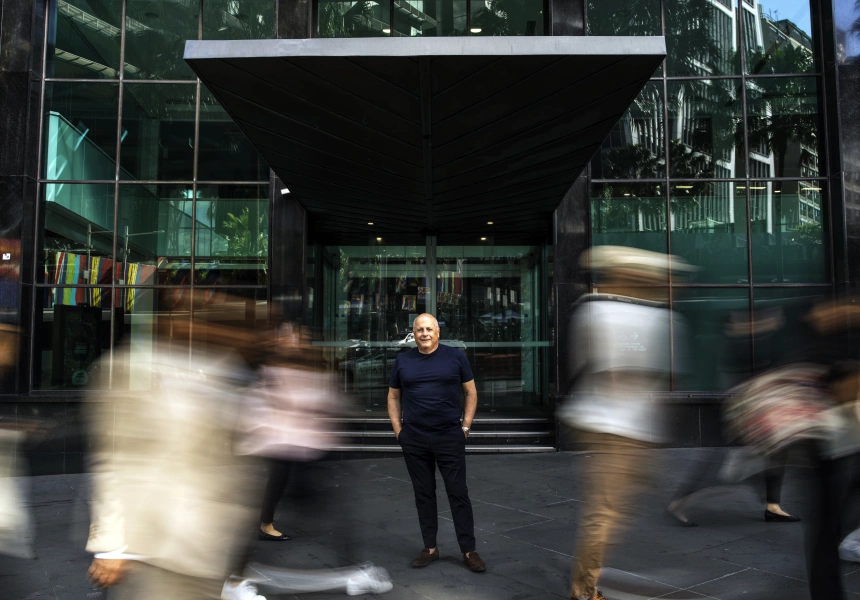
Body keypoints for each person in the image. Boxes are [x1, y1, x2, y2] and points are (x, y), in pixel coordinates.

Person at [558, 246, 690, 600]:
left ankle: (587, 583)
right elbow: (641, 374)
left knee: (612, 513)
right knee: (604, 514)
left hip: (616, 424)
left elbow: (585, 365)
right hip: (614, 427)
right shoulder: (649, 317)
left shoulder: (596, 310)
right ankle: (584, 591)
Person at [387, 313, 485, 573]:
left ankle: (468, 550)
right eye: (420, 330)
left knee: (458, 493)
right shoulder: (403, 360)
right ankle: (430, 548)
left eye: (429, 329)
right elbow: (393, 397)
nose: (425, 333)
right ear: (413, 333)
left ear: (438, 332)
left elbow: (471, 392)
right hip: (415, 439)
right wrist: (399, 431)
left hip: (449, 436)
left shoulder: (455, 357)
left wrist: (465, 427)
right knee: (424, 494)